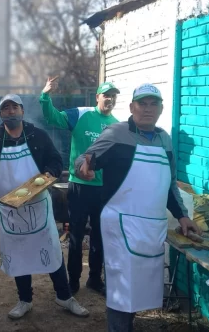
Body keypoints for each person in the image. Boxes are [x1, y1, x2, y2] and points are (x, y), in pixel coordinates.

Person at [74, 83, 200, 332]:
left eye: (154, 104)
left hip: (150, 230)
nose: (148, 108)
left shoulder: (165, 139)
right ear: (132, 107)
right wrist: (83, 168)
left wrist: (182, 216)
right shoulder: (116, 134)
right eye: (142, 103)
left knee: (139, 287)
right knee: (121, 290)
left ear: (162, 108)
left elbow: (169, 183)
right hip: (120, 228)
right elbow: (84, 158)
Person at [0, 94, 89, 320]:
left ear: (22, 111)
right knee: (18, 254)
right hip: (10, 210)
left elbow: (55, 160)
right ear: (1, 114)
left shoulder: (38, 136)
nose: (10, 112)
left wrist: (49, 174)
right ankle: (24, 300)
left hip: (37, 206)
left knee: (52, 251)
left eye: (14, 107)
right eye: (6, 108)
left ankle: (64, 296)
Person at [39, 77, 119, 295]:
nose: (110, 99)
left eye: (113, 96)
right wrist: (46, 96)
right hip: (80, 187)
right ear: (97, 97)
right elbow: (52, 117)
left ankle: (94, 279)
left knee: (99, 237)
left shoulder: (117, 125)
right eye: (106, 95)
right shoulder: (81, 114)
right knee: (75, 235)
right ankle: (72, 281)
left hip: (104, 190)